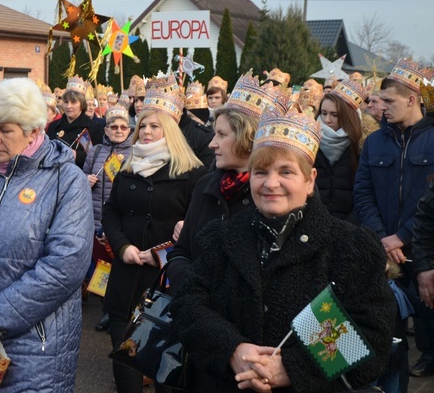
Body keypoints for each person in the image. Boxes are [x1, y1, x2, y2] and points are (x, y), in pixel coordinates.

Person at [173, 105, 396, 392]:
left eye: (286, 171)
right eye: (261, 171)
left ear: (310, 180)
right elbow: (187, 306)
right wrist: (233, 350)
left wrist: (292, 368)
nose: (271, 183)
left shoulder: (349, 247)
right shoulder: (221, 238)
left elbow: (373, 338)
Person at [0, 78, 93, 392]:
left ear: (34, 131)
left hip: (36, 352)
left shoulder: (66, 179)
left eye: (5, 130)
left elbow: (66, 265)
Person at [103, 75, 206, 393]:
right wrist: (123, 248)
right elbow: (112, 211)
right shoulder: (128, 166)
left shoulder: (193, 173)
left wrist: (160, 254)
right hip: (126, 271)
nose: (145, 132)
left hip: (166, 278)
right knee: (124, 354)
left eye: (154, 127)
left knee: (164, 359)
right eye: (142, 126)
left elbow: (195, 229)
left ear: (170, 132)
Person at [167, 72, 291, 288]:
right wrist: (191, 292)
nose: (211, 144)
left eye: (222, 135)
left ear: (249, 137)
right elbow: (181, 253)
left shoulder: (279, 196)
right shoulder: (206, 185)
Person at [354, 58, 434, 377]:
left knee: (428, 304)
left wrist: (403, 235)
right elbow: (363, 193)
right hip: (384, 245)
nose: (381, 107)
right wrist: (384, 237)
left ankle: (428, 354)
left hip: (423, 244)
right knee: (390, 309)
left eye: (389, 101)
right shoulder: (374, 142)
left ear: (412, 100)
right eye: (381, 100)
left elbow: (428, 203)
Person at [82, 104, 134, 332]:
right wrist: (86, 180)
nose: (119, 130)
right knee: (100, 268)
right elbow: (83, 174)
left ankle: (120, 312)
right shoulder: (94, 151)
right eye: (114, 126)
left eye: (123, 126)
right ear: (106, 130)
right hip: (95, 218)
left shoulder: (135, 152)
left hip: (120, 221)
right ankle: (106, 310)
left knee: (119, 269)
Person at [314, 80, 368, 223]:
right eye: (324, 113)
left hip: (349, 226)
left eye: (335, 115)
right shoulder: (309, 141)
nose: (327, 120)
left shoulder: (361, 146)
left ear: (347, 116)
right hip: (312, 224)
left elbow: (365, 193)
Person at [46, 76, 104, 168]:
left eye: (73, 102)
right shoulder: (53, 126)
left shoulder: (94, 128)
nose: (68, 106)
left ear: (82, 104)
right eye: (66, 102)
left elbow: (97, 159)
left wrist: (75, 155)